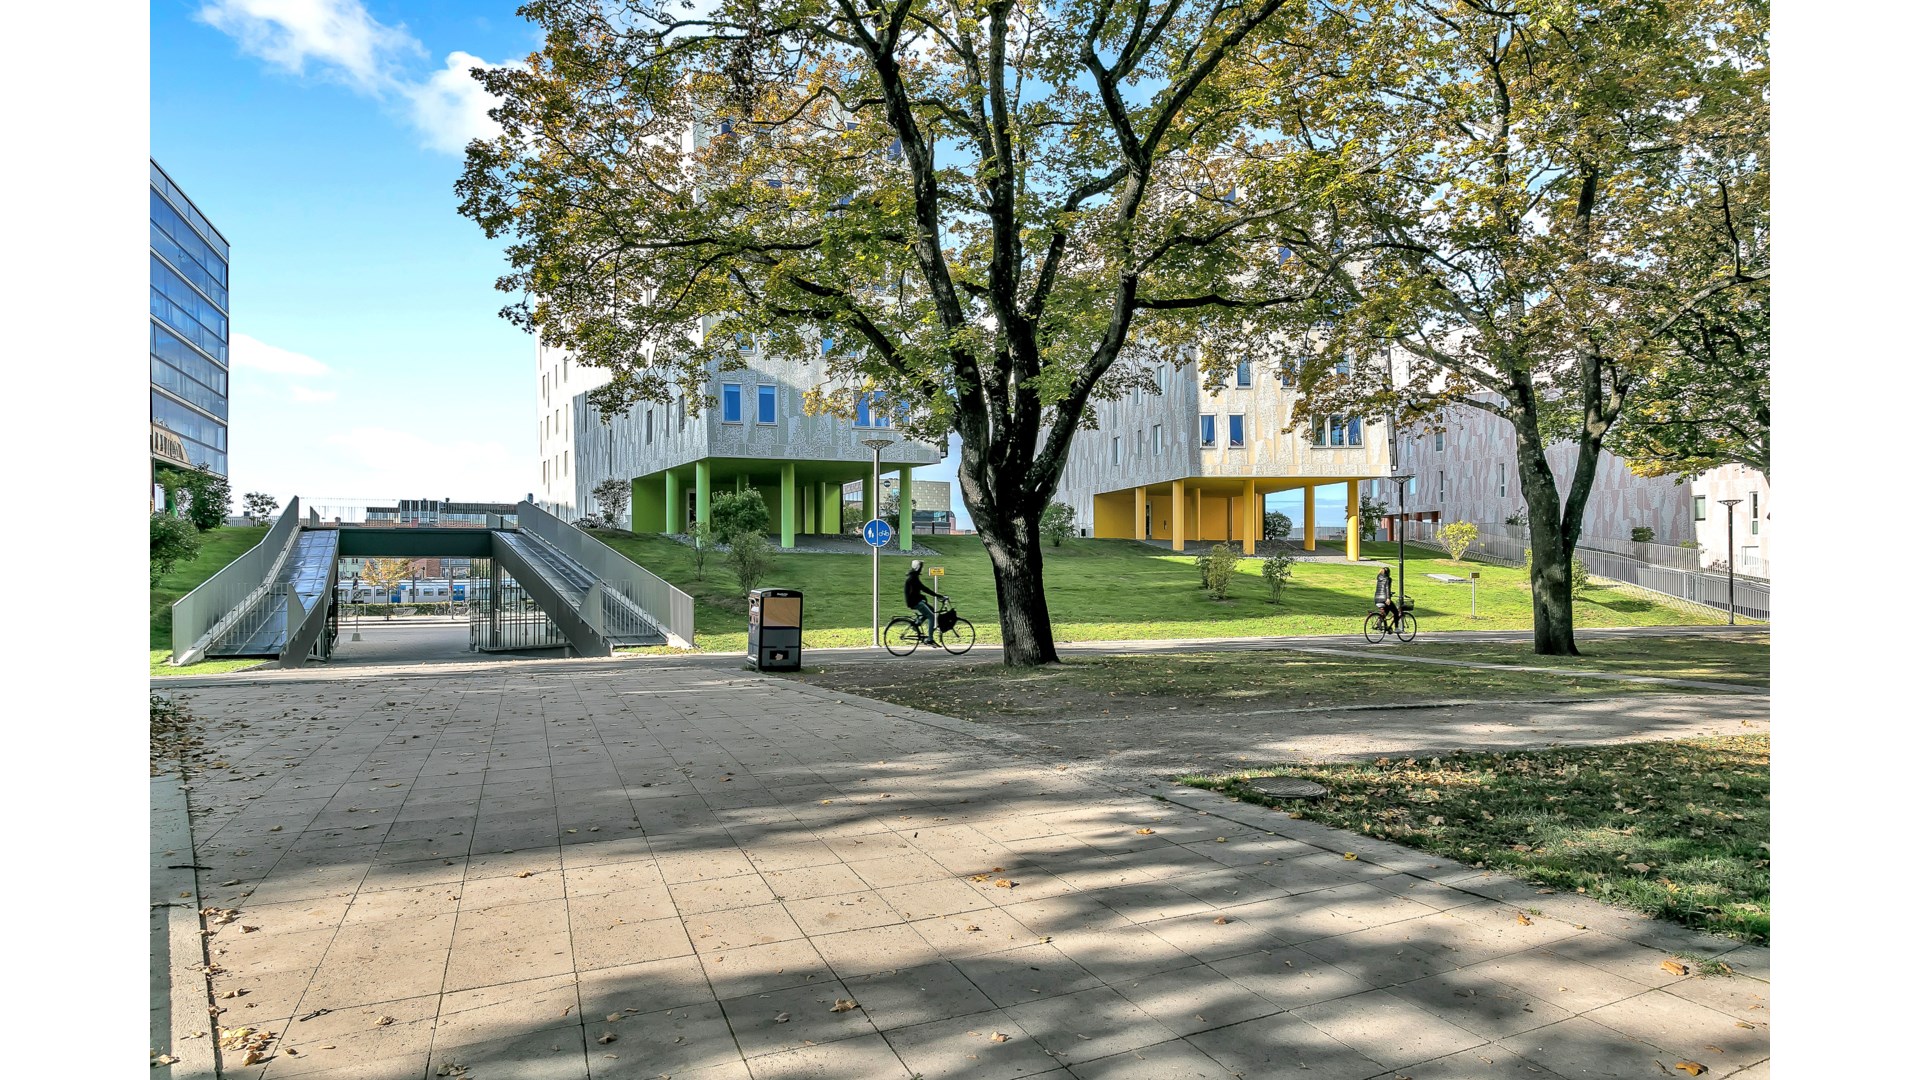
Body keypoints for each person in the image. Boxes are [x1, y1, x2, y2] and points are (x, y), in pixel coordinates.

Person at [904, 559, 943, 637]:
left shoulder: (913, 576)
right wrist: (938, 595)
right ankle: (930, 639)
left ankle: (917, 624)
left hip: (915, 601)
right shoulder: (913, 578)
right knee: (932, 616)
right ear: (918, 567)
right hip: (915, 602)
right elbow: (924, 588)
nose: (922, 569)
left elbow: (920, 589)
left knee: (931, 610)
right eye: (921, 567)